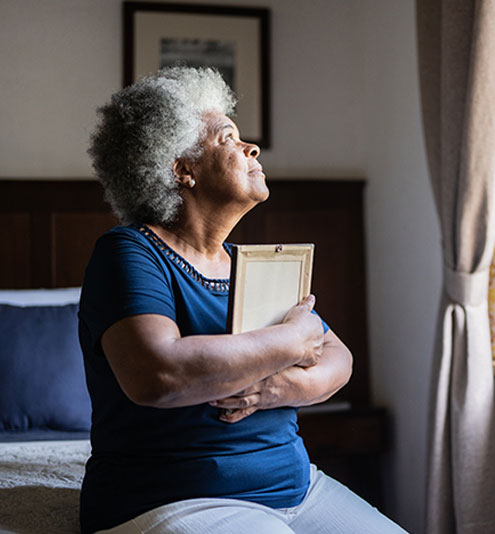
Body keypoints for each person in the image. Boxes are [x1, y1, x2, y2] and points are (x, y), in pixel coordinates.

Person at [79, 67, 406, 534]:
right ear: (181, 168)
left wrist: (274, 389)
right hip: (178, 500)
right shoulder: (129, 251)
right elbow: (159, 373)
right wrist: (290, 342)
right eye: (227, 138)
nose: (250, 147)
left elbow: (338, 359)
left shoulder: (252, 263)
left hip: (298, 490)